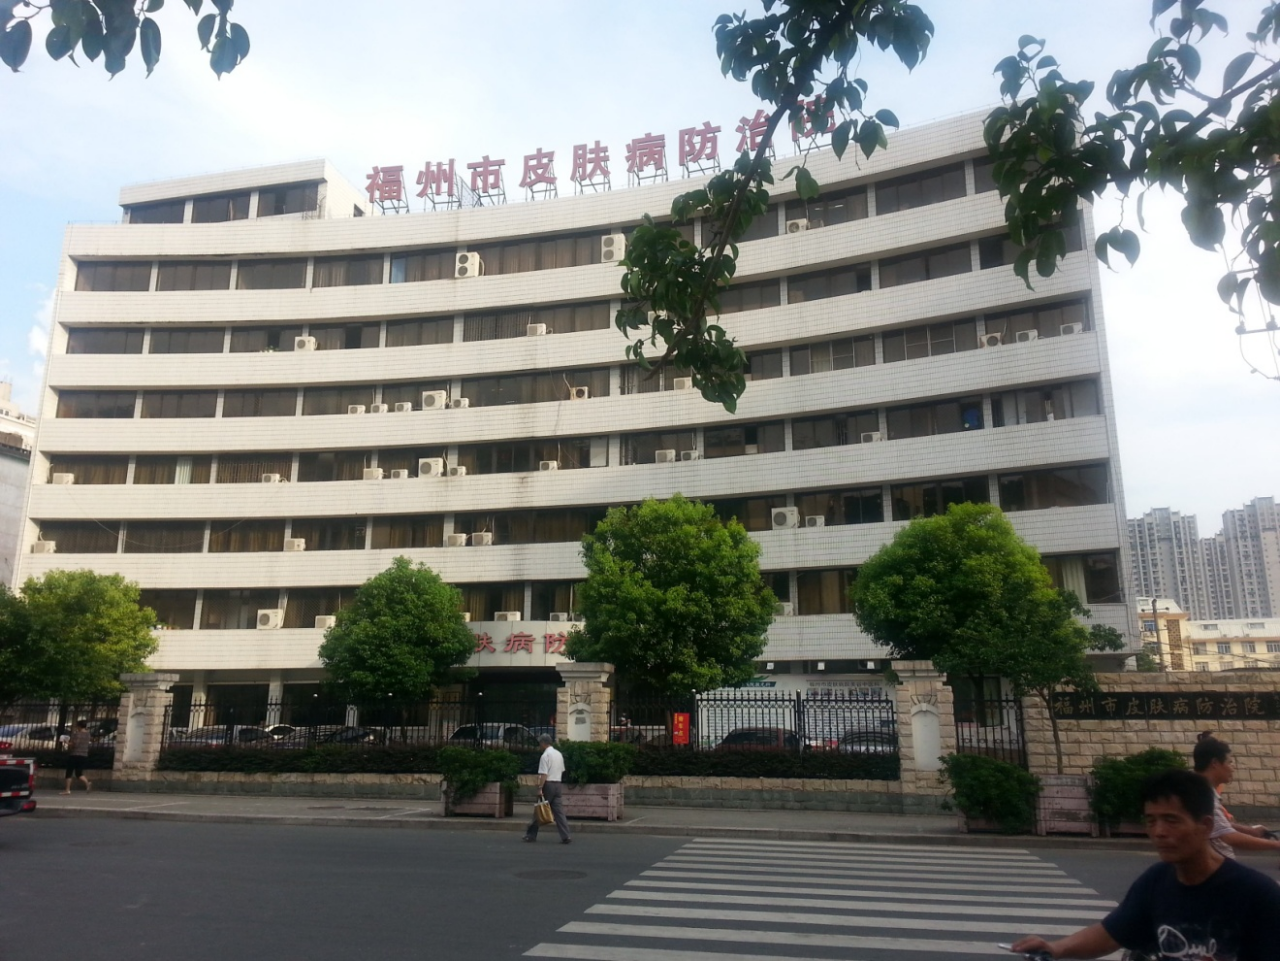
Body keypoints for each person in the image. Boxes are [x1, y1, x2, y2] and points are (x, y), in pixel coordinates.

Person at [1009, 769, 1280, 960]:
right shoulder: (1156, 881)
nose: (1159, 832)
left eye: (1171, 820)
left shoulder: (1256, 894)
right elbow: (1110, 933)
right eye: (1151, 821)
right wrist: (1057, 948)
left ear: (1206, 825)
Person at [1192, 732, 1280, 860]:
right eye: (1229, 762)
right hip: (1215, 868)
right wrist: (1276, 845)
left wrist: (1249, 831)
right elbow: (1229, 836)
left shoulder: (1199, 789)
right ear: (1215, 763)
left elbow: (1217, 825)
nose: (1233, 768)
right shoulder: (1202, 795)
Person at [522, 734, 570, 844]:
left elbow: (544, 774)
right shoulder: (558, 754)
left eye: (540, 743)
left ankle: (531, 835)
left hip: (548, 784)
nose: (539, 745)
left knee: (539, 809)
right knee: (559, 812)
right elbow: (562, 770)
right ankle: (566, 836)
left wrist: (540, 788)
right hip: (558, 783)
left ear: (543, 743)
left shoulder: (545, 756)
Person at [61, 720, 92, 794]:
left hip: (75, 755)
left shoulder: (77, 734)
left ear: (79, 726)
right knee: (79, 773)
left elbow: (75, 744)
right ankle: (87, 783)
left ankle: (67, 790)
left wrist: (67, 742)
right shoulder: (88, 734)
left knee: (69, 772)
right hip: (84, 755)